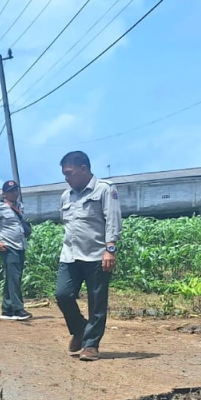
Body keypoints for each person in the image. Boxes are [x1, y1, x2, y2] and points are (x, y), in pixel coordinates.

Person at [55, 150, 120, 362]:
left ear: (84, 169)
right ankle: (80, 329)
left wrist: (110, 248)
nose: (66, 177)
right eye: (64, 174)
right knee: (63, 294)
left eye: (69, 172)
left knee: (96, 302)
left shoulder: (104, 190)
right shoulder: (67, 195)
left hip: (96, 255)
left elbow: (112, 219)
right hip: (70, 256)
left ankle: (91, 345)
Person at [0, 179, 32, 321]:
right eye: (11, 191)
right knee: (14, 278)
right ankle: (18, 309)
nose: (14, 193)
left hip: (20, 246)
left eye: (16, 190)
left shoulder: (20, 206)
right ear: (4, 194)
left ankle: (7, 309)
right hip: (8, 247)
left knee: (13, 278)